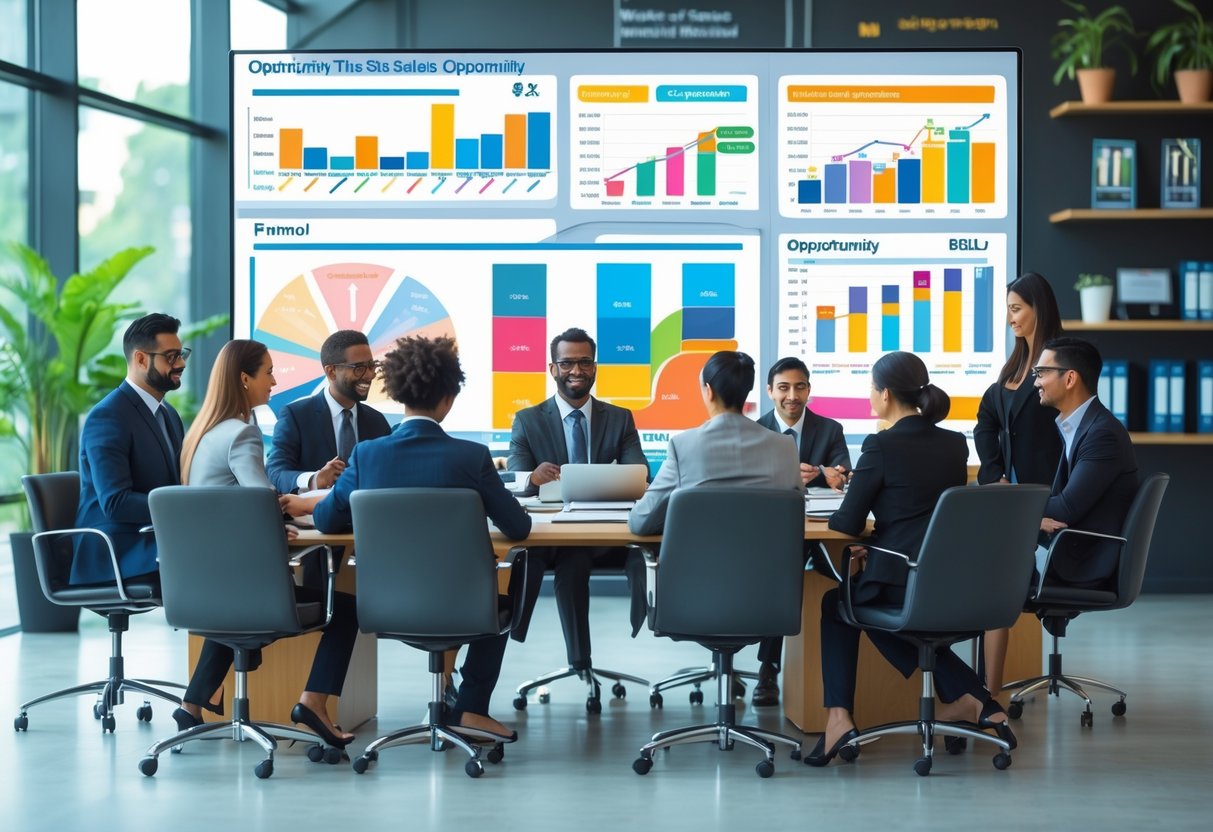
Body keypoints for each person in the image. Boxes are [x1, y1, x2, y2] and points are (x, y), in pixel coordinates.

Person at [313, 335, 531, 741]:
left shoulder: (367, 455)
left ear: (398, 394)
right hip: (464, 607)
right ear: (448, 399)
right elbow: (518, 528)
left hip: (384, 606)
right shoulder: (471, 456)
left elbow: (326, 520)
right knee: (517, 575)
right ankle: (471, 707)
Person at [810, 351, 1013, 767]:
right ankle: (974, 698)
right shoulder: (954, 443)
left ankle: (839, 719)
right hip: (949, 580)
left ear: (885, 394)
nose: (870, 395)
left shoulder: (880, 445)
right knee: (884, 613)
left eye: (871, 387)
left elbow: (848, 522)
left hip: (901, 578)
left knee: (840, 605)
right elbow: (923, 515)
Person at [172, 339, 358, 750]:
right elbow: (258, 503)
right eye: (268, 373)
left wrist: (273, 519)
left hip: (203, 583)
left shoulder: (201, 432)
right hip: (242, 584)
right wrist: (279, 519)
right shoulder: (242, 434)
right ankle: (312, 705)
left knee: (235, 610)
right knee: (347, 610)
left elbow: (237, 505)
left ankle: (191, 706)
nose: (274, 381)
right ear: (244, 379)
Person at [507, 327, 650, 672]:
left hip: (605, 533)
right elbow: (516, 480)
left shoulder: (619, 418)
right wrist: (533, 478)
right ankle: (579, 661)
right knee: (570, 562)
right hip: (552, 536)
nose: (576, 370)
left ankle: (594, 654)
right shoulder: (527, 420)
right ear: (552, 368)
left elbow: (639, 475)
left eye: (585, 362)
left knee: (605, 557)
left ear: (595, 367)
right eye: (567, 363)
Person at [974, 272, 1065, 695]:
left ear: (1037, 309)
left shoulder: (1061, 360)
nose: (1010, 318)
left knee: (995, 583)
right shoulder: (1014, 365)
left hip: (1049, 500)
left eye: (1016, 309)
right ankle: (986, 691)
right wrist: (992, 474)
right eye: (1008, 309)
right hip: (1010, 499)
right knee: (991, 582)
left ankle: (987, 694)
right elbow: (986, 420)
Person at [752, 356, 852, 706]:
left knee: (841, 573)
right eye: (783, 388)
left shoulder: (830, 429)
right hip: (769, 532)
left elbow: (844, 475)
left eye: (800, 387)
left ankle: (830, 681)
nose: (792, 396)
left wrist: (826, 474)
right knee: (783, 569)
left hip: (819, 531)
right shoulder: (756, 432)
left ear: (809, 389)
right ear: (770, 391)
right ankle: (768, 667)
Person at [265, 329, 391, 589]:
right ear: (331, 372)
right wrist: (314, 479)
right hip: (316, 543)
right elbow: (275, 472)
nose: (369, 375)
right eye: (359, 368)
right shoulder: (297, 415)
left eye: (371, 366)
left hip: (371, 543)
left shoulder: (377, 422)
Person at [628, 350, 803, 535]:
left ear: (709, 391)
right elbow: (796, 512)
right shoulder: (786, 446)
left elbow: (641, 522)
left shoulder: (683, 446)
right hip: (767, 553)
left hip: (699, 553)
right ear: (746, 391)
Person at [72, 313, 188, 586]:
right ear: (141, 359)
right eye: (171, 357)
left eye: (182, 354)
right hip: (117, 550)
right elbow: (116, 502)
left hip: (155, 537)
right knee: (212, 554)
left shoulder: (169, 414)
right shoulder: (108, 415)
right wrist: (184, 510)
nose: (181, 363)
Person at [1033, 336, 1138, 588]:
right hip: (1069, 550)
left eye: (1042, 372)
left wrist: (1010, 510)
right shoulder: (1082, 426)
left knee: (990, 561)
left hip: (1081, 562)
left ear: (1070, 378)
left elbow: (1066, 508)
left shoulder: (1102, 434)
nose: (1036, 381)